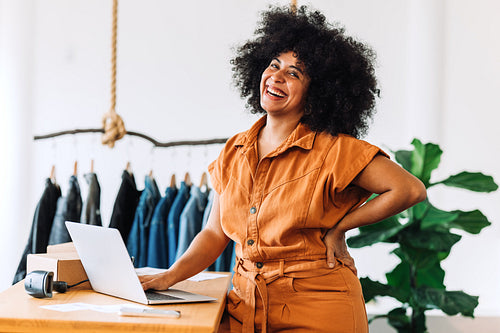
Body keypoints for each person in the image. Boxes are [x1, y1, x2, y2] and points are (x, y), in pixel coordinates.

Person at [139, 5, 426, 333]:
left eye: (294, 73)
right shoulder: (235, 150)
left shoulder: (335, 149)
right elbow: (214, 233)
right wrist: (168, 277)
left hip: (319, 308)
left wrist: (340, 227)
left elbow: (409, 189)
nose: (276, 77)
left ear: (317, 92)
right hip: (247, 304)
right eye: (274, 65)